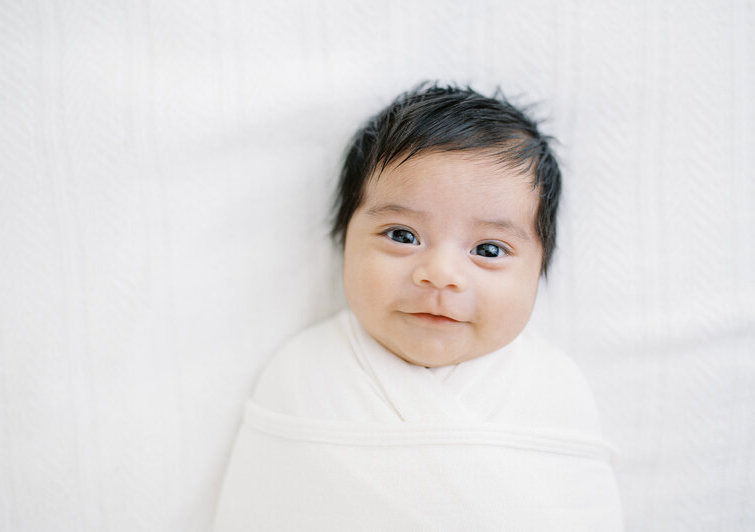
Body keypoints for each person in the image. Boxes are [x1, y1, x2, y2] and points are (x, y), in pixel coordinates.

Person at [214, 83, 624, 531]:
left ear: (540, 269)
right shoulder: (299, 373)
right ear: (343, 240)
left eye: (488, 249)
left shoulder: (555, 388)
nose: (441, 273)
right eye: (402, 236)